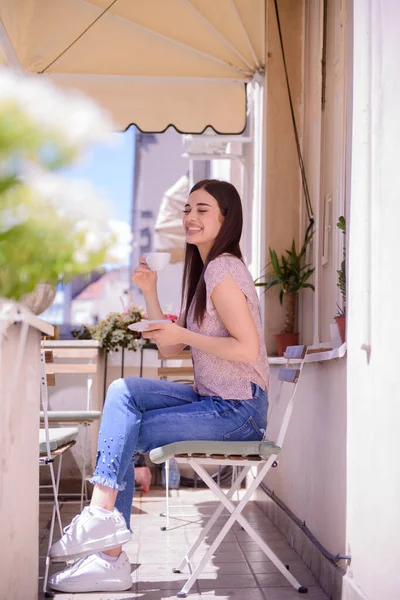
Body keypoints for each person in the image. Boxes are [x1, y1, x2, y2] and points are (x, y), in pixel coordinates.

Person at [48, 179, 270, 593]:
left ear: (226, 219)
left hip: (239, 411)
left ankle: (107, 553)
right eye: (188, 209)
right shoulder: (203, 272)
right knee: (123, 392)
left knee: (125, 431)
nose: (190, 217)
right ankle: (103, 529)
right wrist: (149, 293)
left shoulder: (223, 268)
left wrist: (185, 336)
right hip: (214, 399)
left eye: (202, 210)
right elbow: (169, 350)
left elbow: (246, 349)